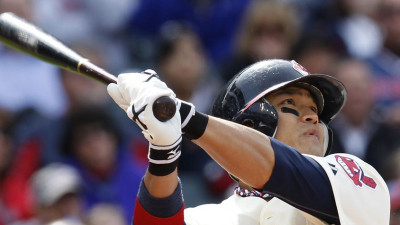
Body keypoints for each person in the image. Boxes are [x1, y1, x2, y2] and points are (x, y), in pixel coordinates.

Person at [107, 59, 390, 224]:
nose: (312, 118)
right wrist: (164, 149)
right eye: (291, 103)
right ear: (250, 123)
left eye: (315, 110)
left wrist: (185, 118)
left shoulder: (355, 179)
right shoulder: (207, 218)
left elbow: (282, 168)